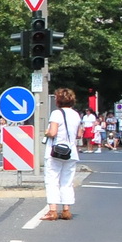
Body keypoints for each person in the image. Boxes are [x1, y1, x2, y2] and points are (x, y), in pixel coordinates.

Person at [43, 87, 81, 221]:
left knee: (52, 181)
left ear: (58, 100)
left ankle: (52, 211)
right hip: (71, 152)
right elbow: (79, 134)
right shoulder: (76, 115)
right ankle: (66, 210)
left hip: (55, 152)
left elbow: (52, 133)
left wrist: (46, 132)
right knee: (67, 182)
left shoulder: (56, 113)